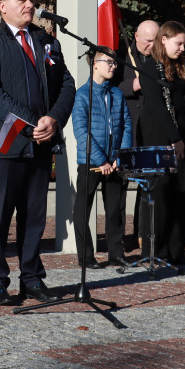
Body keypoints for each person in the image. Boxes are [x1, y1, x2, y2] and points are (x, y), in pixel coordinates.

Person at [0, 0, 74, 306]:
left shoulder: (47, 41)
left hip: (41, 144)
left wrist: (53, 119)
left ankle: (31, 278)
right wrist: (32, 124)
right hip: (4, 145)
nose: (30, 5)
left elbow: (67, 85)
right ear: (3, 6)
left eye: (32, 0)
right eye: (22, 0)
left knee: (34, 218)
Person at [137, 21, 185, 268]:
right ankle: (157, 250)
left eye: (184, 44)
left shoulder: (178, 66)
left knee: (181, 191)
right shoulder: (149, 67)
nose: (182, 48)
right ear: (163, 40)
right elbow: (156, 107)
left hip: (178, 135)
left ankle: (176, 250)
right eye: (179, 43)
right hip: (158, 136)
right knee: (160, 192)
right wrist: (175, 140)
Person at [71, 46, 131, 269]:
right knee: (82, 209)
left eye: (115, 62)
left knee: (115, 209)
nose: (113, 66)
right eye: (109, 62)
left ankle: (116, 253)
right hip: (91, 162)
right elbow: (81, 132)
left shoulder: (117, 93)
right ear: (95, 64)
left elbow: (126, 124)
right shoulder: (82, 95)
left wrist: (119, 157)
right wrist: (101, 161)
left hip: (115, 162)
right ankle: (86, 257)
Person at [115, 19, 158, 252]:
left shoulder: (159, 58)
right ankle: (118, 238)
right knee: (120, 187)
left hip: (149, 130)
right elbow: (111, 87)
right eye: (148, 40)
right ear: (137, 36)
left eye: (156, 40)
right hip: (126, 128)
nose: (152, 45)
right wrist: (133, 85)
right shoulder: (121, 56)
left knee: (147, 185)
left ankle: (142, 234)